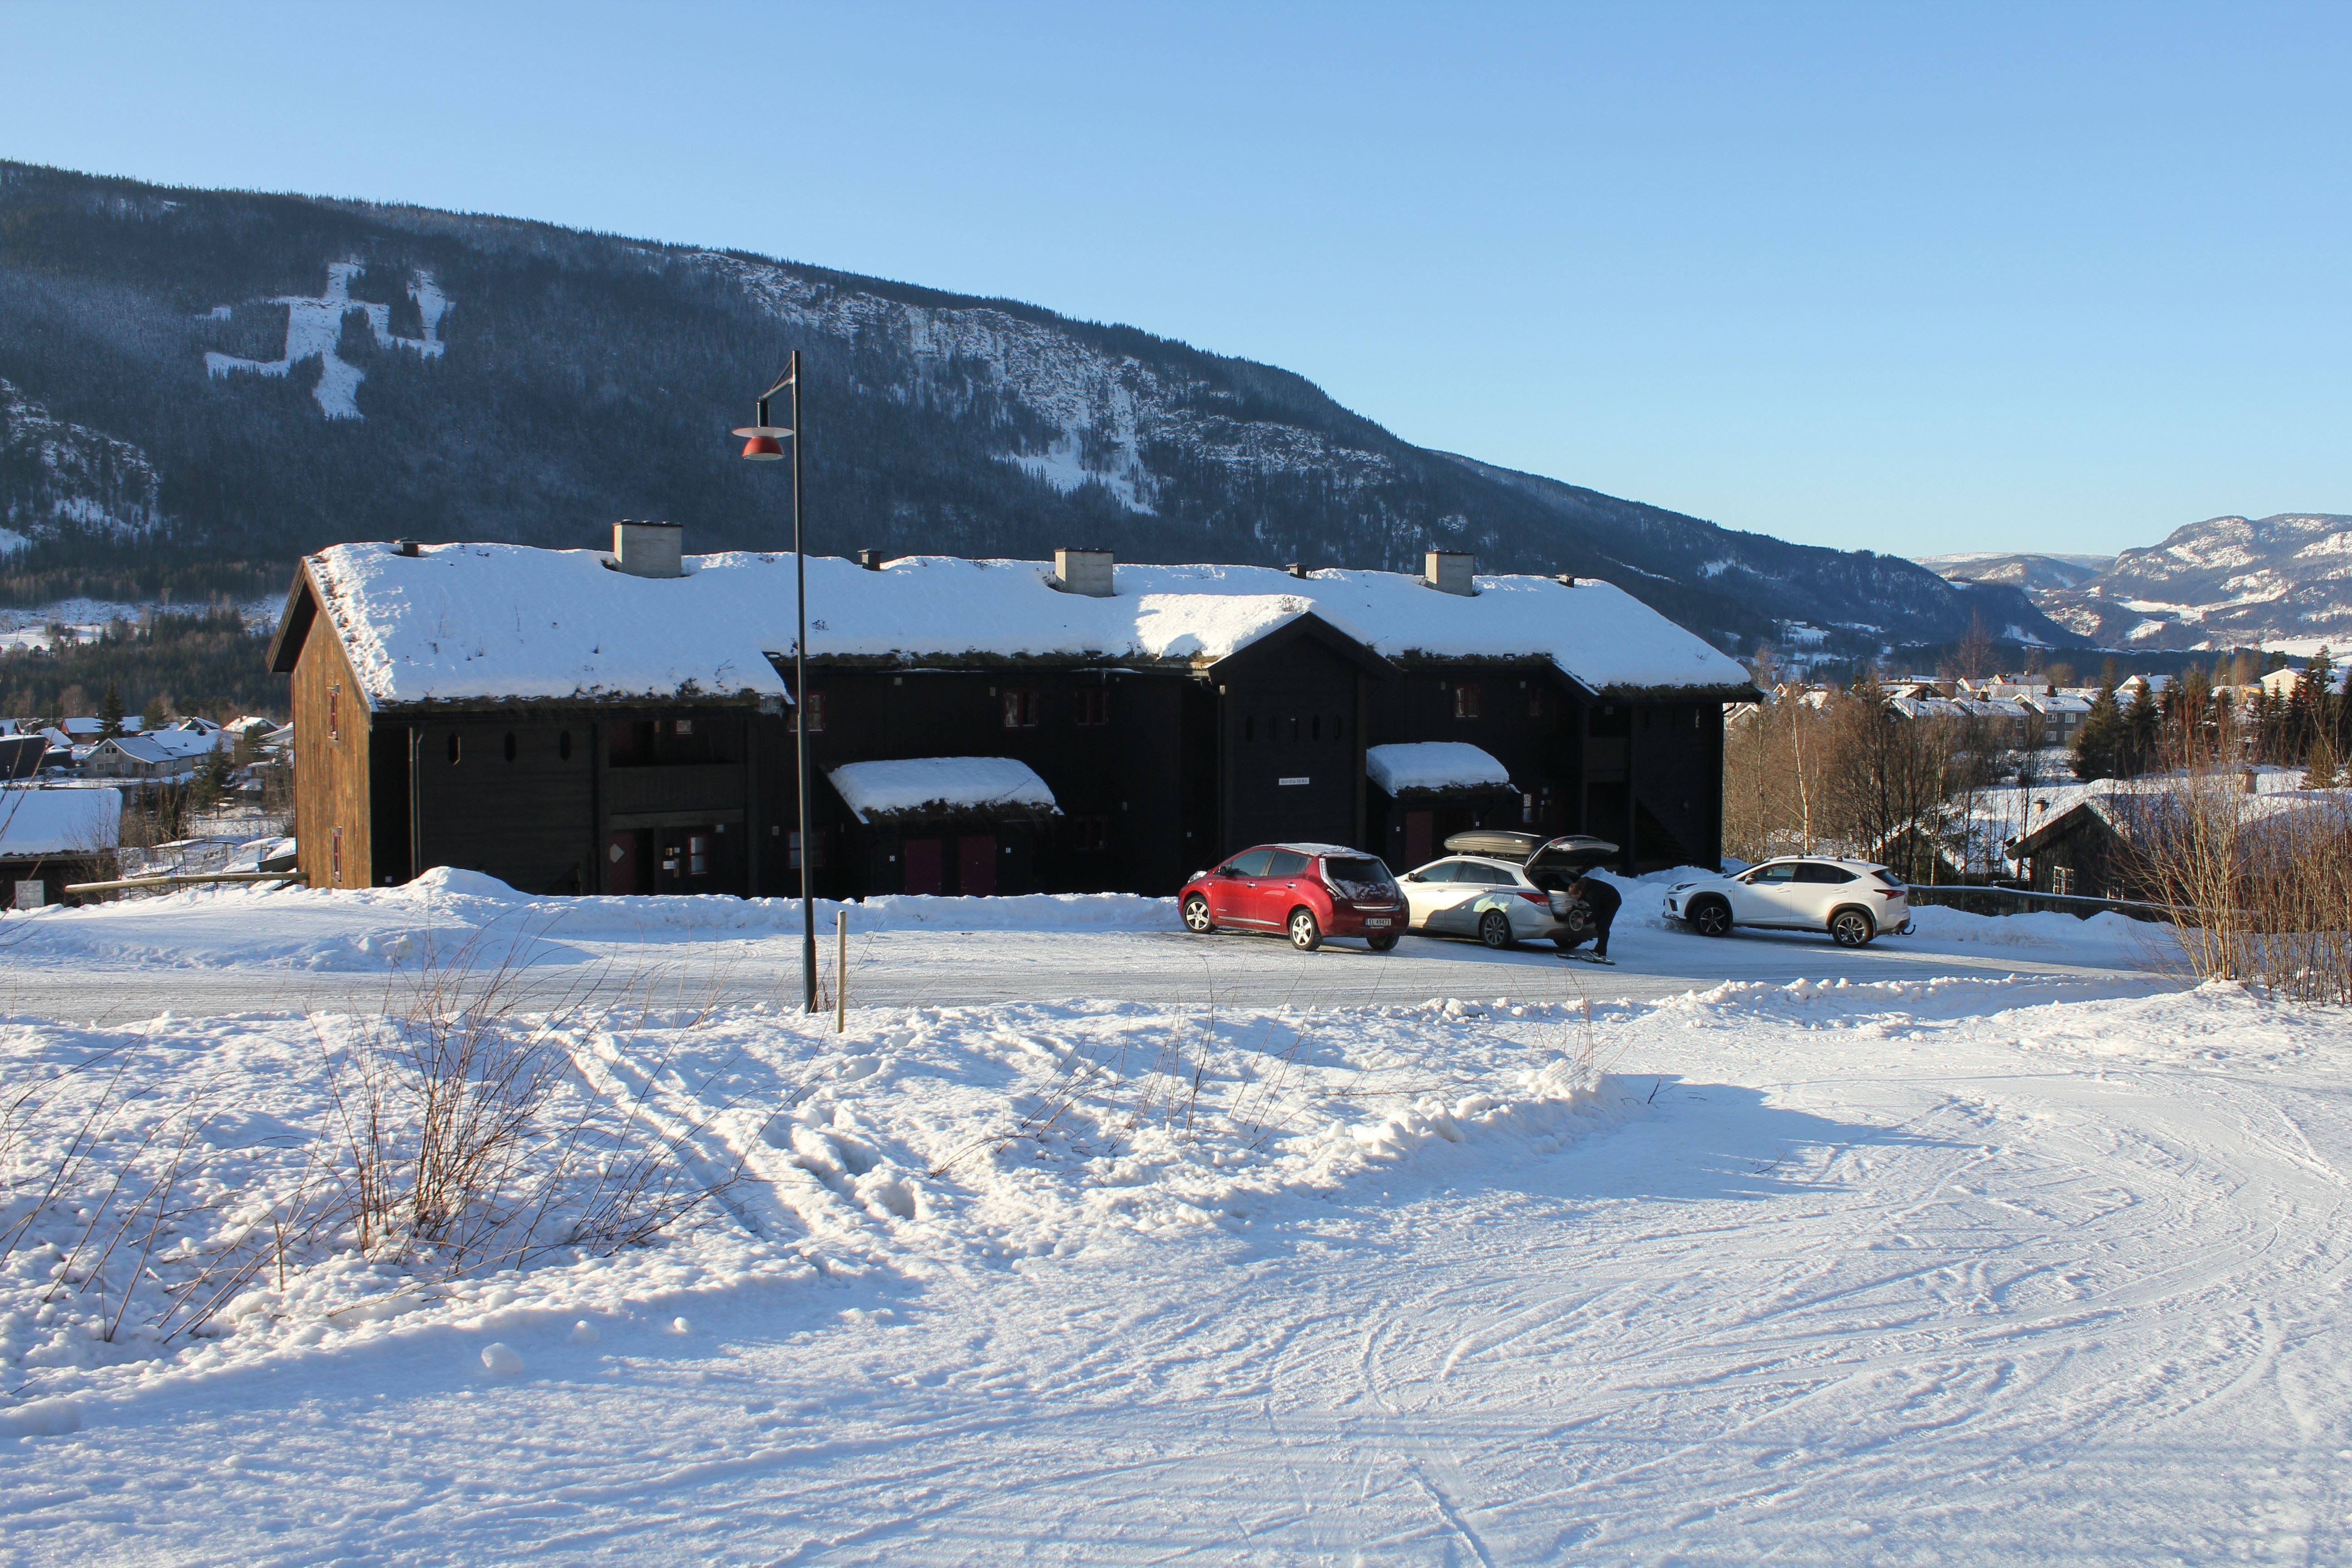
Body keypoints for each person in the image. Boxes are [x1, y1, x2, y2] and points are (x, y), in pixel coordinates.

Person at [1563, 873, 1622, 962]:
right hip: (1604, 898)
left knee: (1603, 926)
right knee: (1599, 924)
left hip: (1613, 901)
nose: (1579, 899)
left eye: (1578, 897)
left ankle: (1601, 952)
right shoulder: (1583, 886)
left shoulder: (1591, 895)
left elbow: (1596, 913)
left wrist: (1584, 921)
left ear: (1580, 892)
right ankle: (1598, 950)